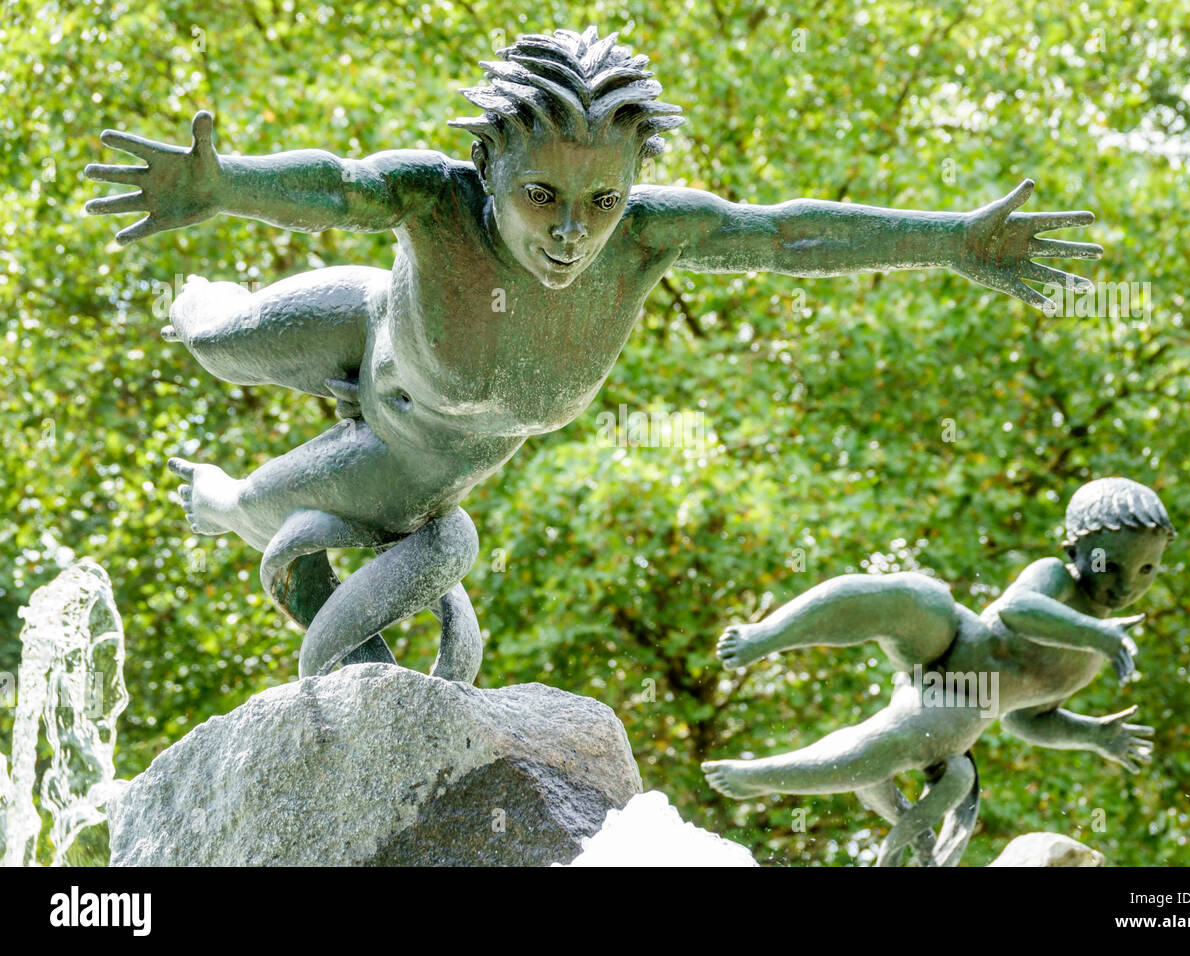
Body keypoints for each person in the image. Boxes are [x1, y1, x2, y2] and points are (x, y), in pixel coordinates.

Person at [83, 27, 1102, 678]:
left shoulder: (652, 235)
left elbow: (791, 234)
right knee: (217, 339)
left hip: (416, 451)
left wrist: (951, 240)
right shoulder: (433, 200)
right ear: (488, 168)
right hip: (366, 322)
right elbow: (338, 184)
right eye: (542, 198)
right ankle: (201, 307)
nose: (572, 234)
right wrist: (220, 188)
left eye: (600, 203)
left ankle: (213, 498)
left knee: (271, 509)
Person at [702, 476, 1176, 866]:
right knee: (911, 596)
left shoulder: (1091, 658)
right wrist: (1097, 634)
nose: (1125, 584)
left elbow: (1025, 718)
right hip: (956, 637)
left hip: (967, 701)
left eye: (1146, 570)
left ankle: (758, 776)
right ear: (1075, 550)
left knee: (883, 747)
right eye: (1110, 565)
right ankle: (765, 635)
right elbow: (1016, 610)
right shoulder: (1055, 579)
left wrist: (1091, 734)